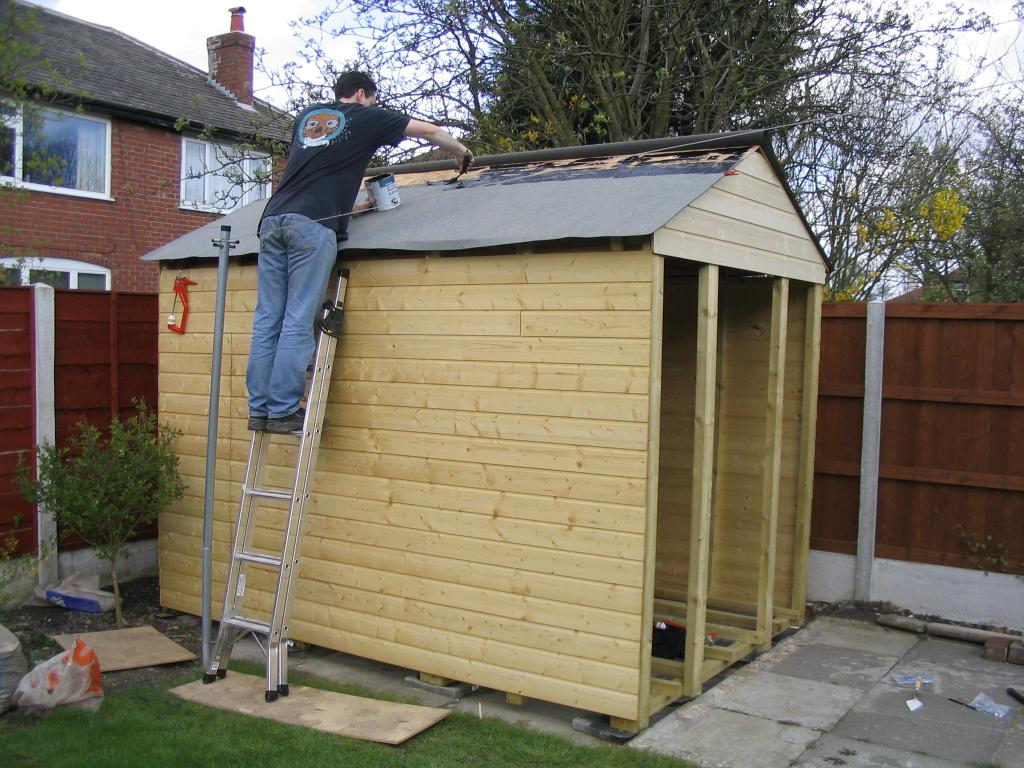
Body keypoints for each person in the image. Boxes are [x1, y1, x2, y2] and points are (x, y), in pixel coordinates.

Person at [246, 71, 473, 434]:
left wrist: (359, 206)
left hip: (273, 221)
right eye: (373, 99)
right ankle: (283, 410)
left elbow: (314, 182)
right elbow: (429, 130)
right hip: (312, 226)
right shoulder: (366, 116)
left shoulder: (307, 119)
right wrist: (460, 151)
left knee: (267, 319)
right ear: (363, 94)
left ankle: (258, 409)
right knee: (298, 318)